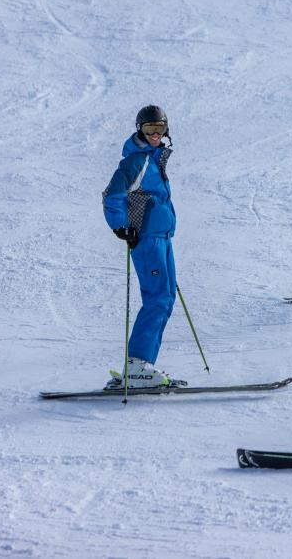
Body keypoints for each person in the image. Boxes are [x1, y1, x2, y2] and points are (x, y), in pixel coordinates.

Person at [101, 105, 184, 389]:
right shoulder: (138, 161)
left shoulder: (155, 159)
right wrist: (121, 226)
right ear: (140, 130)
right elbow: (112, 194)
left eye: (158, 129)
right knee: (157, 298)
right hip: (147, 238)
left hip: (161, 237)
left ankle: (142, 366)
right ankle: (137, 366)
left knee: (166, 298)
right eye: (148, 130)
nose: (154, 135)